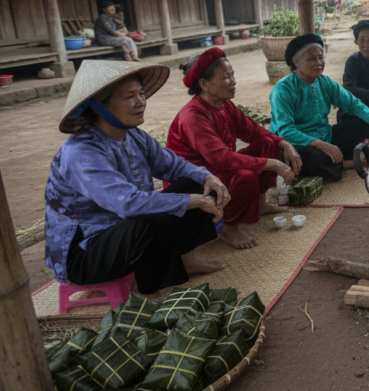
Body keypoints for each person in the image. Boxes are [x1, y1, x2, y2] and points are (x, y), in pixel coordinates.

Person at [45, 60, 230, 295]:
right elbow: (128, 202)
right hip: (86, 251)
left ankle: (186, 260)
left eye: (141, 93)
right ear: (99, 106)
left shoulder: (134, 136)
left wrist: (208, 177)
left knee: (196, 183)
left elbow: (175, 166)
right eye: (129, 96)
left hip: (123, 228)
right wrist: (193, 201)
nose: (141, 102)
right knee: (154, 220)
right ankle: (149, 294)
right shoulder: (81, 152)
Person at [166, 48, 302, 249]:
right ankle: (229, 229)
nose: (233, 81)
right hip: (194, 179)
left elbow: (255, 131)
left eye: (232, 76)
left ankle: (261, 202)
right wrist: (271, 163)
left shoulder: (225, 106)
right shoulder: (193, 116)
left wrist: (284, 143)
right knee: (244, 175)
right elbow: (222, 159)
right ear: (204, 84)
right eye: (226, 77)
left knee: (268, 143)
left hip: (217, 167)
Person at [270, 34, 369, 182]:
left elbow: (352, 104)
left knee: (365, 121)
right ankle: (344, 163)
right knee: (308, 157)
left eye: (321, 57)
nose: (318, 63)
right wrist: (321, 145)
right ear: (296, 62)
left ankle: (333, 159)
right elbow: (285, 131)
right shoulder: (283, 89)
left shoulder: (325, 82)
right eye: (311, 59)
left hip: (325, 136)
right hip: (295, 143)